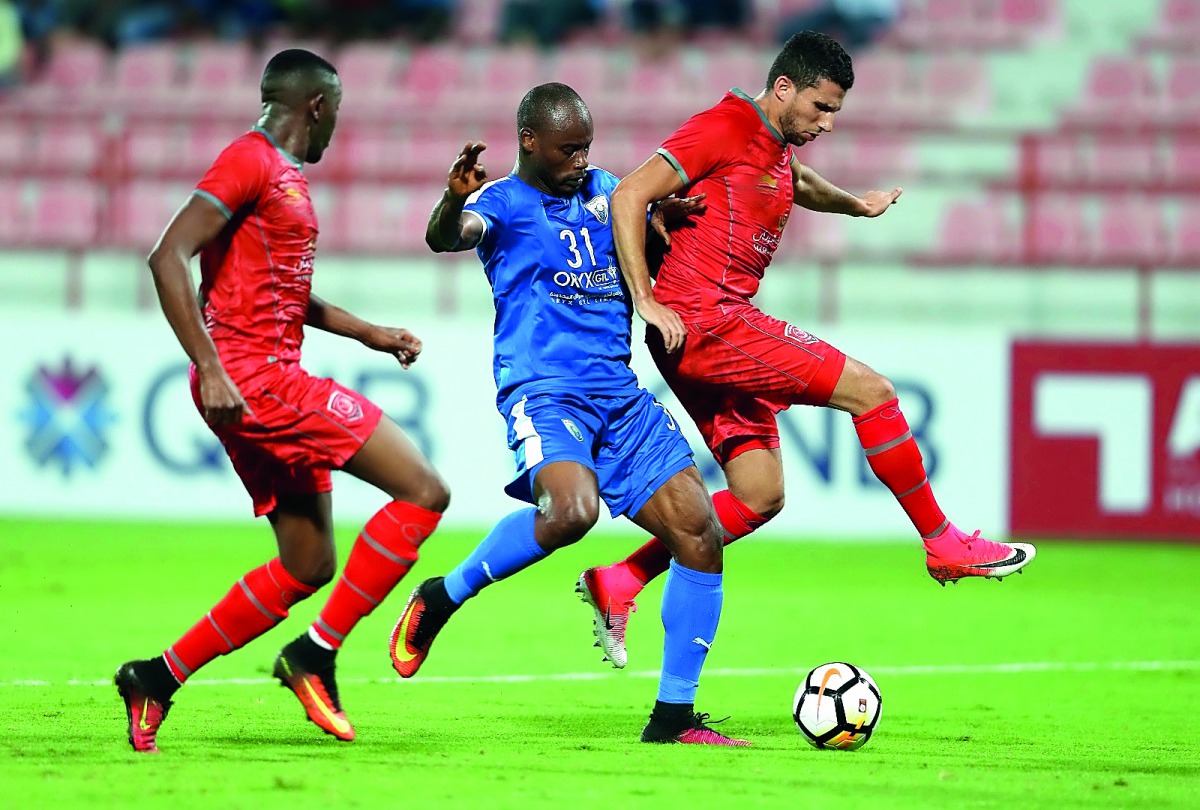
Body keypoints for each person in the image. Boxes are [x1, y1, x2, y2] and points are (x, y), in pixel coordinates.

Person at [577, 31, 1037, 668]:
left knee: (759, 493)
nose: (826, 122)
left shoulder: (771, 143)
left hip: (704, 328)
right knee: (872, 392)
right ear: (784, 88)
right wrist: (646, 297)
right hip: (705, 322)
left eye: (836, 113)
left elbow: (797, 180)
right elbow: (630, 193)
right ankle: (942, 542)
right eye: (820, 108)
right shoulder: (726, 124)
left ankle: (620, 579)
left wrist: (855, 205)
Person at [388, 82, 749, 746]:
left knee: (700, 534)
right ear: (531, 142)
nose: (582, 159)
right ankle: (444, 594)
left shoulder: (609, 189)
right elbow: (447, 236)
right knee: (573, 514)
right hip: (546, 392)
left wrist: (660, 225)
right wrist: (450, 199)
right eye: (568, 149)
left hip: (618, 392)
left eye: (587, 146)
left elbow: (643, 247)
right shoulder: (499, 203)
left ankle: (673, 719)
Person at [114, 48, 450, 753]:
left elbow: (288, 290)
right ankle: (316, 655)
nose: (335, 131)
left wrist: (368, 332)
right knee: (423, 490)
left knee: (307, 563)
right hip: (256, 381)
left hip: (256, 379)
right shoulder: (251, 160)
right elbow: (166, 255)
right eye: (338, 116)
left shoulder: (282, 178)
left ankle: (155, 677)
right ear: (318, 106)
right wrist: (209, 365)